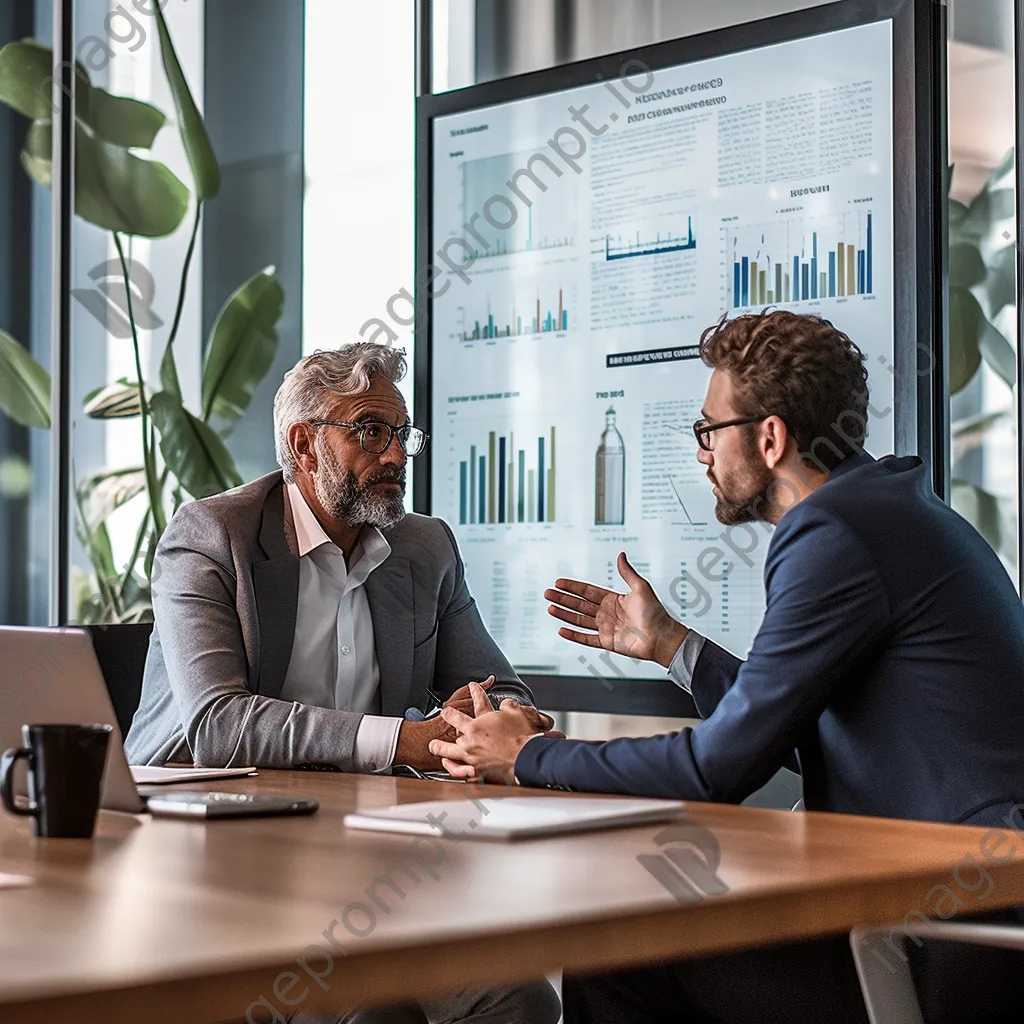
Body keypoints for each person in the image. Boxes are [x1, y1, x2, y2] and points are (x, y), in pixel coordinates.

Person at [430, 311, 1024, 1024]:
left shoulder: (832, 533)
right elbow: (799, 730)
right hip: (955, 908)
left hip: (948, 938)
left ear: (769, 438)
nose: (702, 452)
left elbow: (720, 768)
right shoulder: (883, 511)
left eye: (709, 429)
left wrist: (530, 756)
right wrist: (671, 645)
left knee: (619, 940)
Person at [126, 342, 561, 1024]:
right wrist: (407, 742)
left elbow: (510, 696)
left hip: (365, 856)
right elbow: (216, 724)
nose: (395, 456)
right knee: (364, 1012)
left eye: (400, 435)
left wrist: (481, 720)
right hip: (213, 857)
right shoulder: (213, 537)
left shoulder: (426, 548)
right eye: (370, 432)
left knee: (520, 999)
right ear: (304, 446)